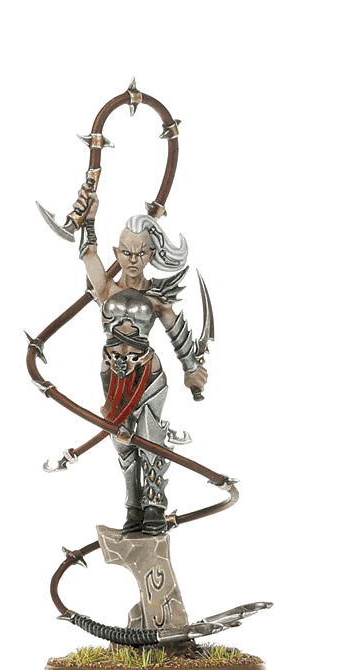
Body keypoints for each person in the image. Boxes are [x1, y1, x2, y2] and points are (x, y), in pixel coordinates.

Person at [73, 183, 208, 534]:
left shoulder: (157, 296)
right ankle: (133, 507)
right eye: (126, 253)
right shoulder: (106, 289)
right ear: (117, 253)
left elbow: (176, 333)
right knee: (121, 440)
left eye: (140, 253)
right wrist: (90, 219)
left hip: (148, 375)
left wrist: (191, 369)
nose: (133, 260)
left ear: (150, 255)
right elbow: (88, 255)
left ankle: (154, 506)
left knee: (149, 437)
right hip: (112, 374)